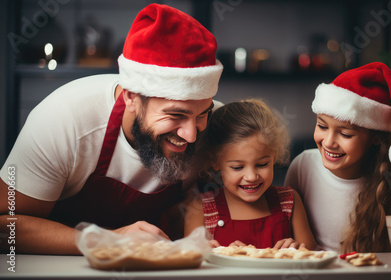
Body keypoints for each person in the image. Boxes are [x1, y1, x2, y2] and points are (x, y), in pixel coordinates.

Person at [0, 4, 223, 254]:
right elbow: (4, 226)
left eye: (203, 113)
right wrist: (108, 240)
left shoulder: (219, 127)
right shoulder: (65, 119)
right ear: (131, 97)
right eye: (176, 115)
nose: (191, 134)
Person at [285, 62, 391, 253]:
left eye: (345, 134)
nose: (329, 142)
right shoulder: (302, 166)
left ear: (375, 138)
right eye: (322, 126)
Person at [184, 100, 317, 250]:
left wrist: (297, 249)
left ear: (274, 155)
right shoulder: (200, 209)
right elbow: (191, 262)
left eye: (261, 164)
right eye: (237, 167)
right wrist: (208, 254)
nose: (251, 176)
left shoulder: (290, 201)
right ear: (215, 161)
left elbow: (311, 256)